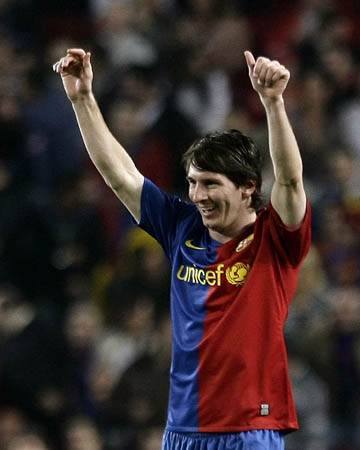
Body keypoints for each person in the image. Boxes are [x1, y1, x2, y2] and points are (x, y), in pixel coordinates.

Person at [53, 48, 311, 450]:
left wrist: (273, 104)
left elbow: (291, 183)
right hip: (182, 431)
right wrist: (82, 99)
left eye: (210, 184)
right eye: (193, 182)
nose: (198, 195)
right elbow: (121, 176)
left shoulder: (274, 239)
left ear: (247, 188)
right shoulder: (182, 226)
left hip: (249, 432)